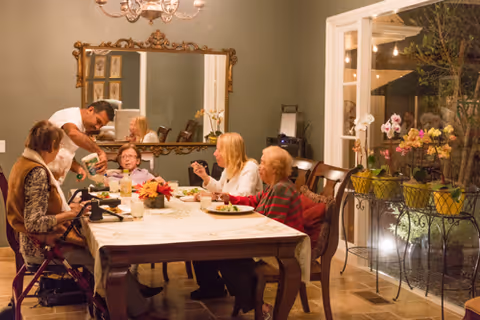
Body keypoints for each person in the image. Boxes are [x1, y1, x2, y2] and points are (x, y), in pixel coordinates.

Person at [6, 121, 165, 320]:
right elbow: (34, 223)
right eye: (59, 146)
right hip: (41, 248)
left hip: (37, 241)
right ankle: (137, 311)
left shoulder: (23, 163)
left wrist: (69, 210)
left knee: (102, 248)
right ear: (52, 145)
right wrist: (70, 214)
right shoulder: (37, 172)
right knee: (106, 256)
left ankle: (126, 299)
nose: (60, 151)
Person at [191, 146, 304, 318]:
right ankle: (255, 303)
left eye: (263, 163)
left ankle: (259, 306)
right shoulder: (272, 186)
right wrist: (230, 198)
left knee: (228, 258)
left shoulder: (282, 189)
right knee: (224, 255)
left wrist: (242, 224)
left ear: (275, 169)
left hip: (283, 248)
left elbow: (274, 224)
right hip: (272, 241)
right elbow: (252, 200)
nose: (259, 166)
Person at [48, 101, 115, 185]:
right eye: (98, 121)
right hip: (40, 170)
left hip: (53, 177)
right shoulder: (72, 116)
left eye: (101, 126)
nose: (97, 127)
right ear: (90, 110)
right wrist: (99, 152)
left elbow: (63, 151)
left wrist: (78, 168)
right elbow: (72, 133)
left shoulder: (80, 126)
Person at [191, 132, 262, 197]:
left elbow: (243, 195)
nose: (215, 154)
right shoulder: (229, 167)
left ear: (229, 152)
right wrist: (205, 176)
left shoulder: (250, 167)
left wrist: (213, 196)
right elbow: (220, 188)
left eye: (218, 150)